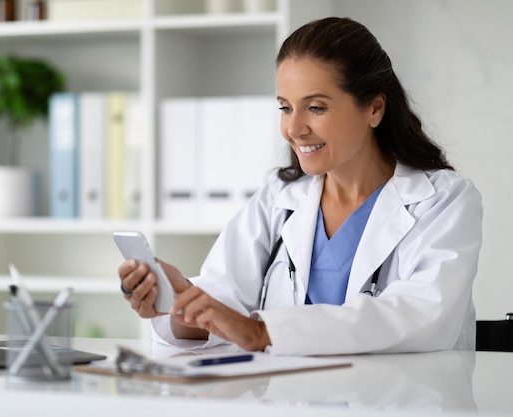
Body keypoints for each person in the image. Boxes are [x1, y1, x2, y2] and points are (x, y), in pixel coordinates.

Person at [118, 17, 483, 356]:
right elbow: (225, 300)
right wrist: (183, 303)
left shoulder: (443, 202)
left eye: (316, 108)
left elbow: (421, 316)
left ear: (374, 108)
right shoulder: (278, 197)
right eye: (285, 107)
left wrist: (264, 332)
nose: (293, 129)